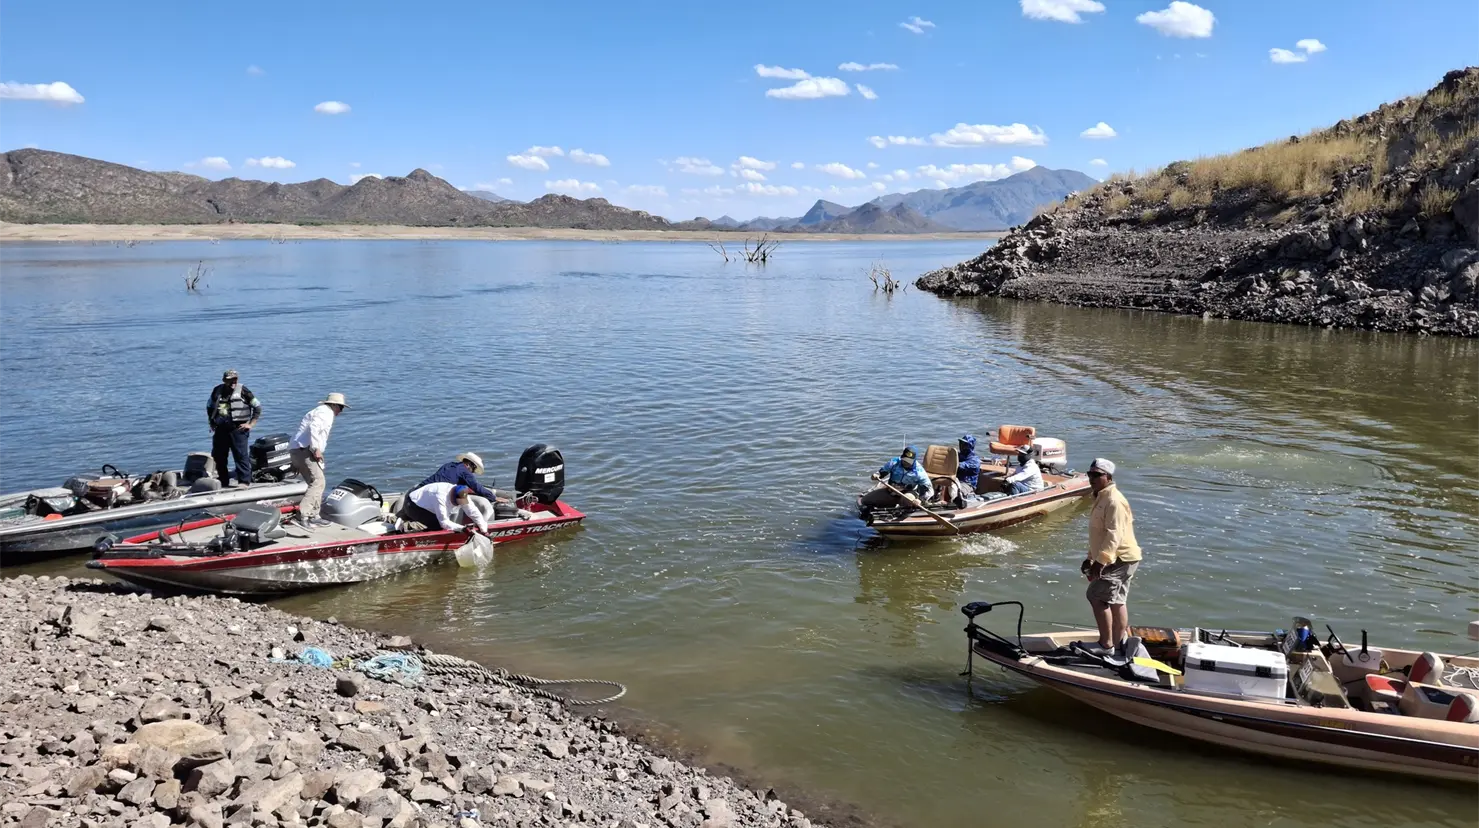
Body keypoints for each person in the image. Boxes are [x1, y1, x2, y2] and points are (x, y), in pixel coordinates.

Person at [1080, 458, 1143, 656]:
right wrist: (1090, 558)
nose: (1092, 478)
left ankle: (1105, 645)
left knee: (1096, 596)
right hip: (1121, 558)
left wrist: (1100, 562)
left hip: (1120, 558)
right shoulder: (1101, 497)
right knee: (1116, 601)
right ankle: (1117, 642)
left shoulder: (1114, 501)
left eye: (1097, 475)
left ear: (1108, 477)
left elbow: (1114, 535)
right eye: (1090, 474)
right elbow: (1098, 533)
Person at [288, 393, 348, 527]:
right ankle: (303, 515)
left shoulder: (319, 411)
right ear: (333, 405)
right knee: (318, 482)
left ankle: (314, 515)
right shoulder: (325, 412)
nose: (341, 411)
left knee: (315, 483)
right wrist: (316, 449)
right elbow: (314, 428)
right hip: (304, 450)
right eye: (340, 407)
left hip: (297, 450)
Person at [206, 369, 262, 487]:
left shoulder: (243, 390)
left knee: (240, 455)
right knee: (219, 456)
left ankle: (244, 481)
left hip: (238, 429)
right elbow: (209, 406)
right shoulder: (217, 390)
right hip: (221, 429)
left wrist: (251, 424)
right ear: (224, 380)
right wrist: (211, 421)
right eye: (230, 380)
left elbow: (257, 406)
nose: (233, 382)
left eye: (235, 379)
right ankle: (223, 480)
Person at [860, 445, 934, 511]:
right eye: (904, 460)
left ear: (914, 460)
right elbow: (881, 472)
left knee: (907, 499)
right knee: (865, 500)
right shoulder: (894, 462)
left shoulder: (919, 472)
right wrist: (876, 475)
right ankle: (888, 504)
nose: (906, 463)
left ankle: (902, 511)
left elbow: (930, 490)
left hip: (908, 493)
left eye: (909, 461)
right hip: (891, 491)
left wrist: (920, 500)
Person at [398, 482, 488, 534]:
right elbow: (443, 522)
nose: (460, 505)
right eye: (458, 502)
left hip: (426, 501)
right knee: (437, 525)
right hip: (412, 503)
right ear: (453, 497)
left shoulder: (463, 493)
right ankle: (406, 527)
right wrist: (463, 529)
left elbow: (473, 511)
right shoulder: (440, 497)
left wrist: (484, 529)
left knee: (446, 524)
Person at [418, 453, 497, 501]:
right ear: (469, 465)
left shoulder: (449, 465)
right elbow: (476, 486)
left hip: (420, 488)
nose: (472, 472)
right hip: (432, 495)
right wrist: (493, 497)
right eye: (473, 470)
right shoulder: (465, 471)